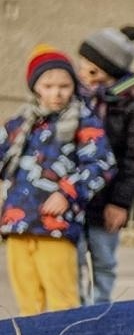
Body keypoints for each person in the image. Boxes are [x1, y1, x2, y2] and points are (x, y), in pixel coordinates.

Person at [2, 48, 115, 315]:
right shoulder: (19, 124)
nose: (56, 93)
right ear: (35, 87)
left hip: (57, 228)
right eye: (48, 86)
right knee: (28, 303)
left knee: (62, 303)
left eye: (64, 86)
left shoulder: (84, 121)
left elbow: (102, 164)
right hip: (18, 226)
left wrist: (67, 192)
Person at [75, 25, 134, 305]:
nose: (84, 74)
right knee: (73, 265)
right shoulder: (76, 101)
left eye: (93, 70)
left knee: (103, 263)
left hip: (107, 202)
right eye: (82, 66)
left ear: (110, 72)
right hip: (74, 199)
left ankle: (100, 314)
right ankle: (74, 317)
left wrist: (120, 203)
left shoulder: (133, 110)